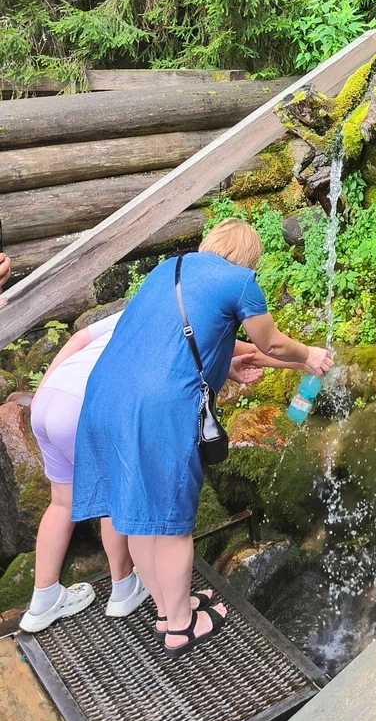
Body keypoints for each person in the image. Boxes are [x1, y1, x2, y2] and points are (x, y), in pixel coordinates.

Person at [72, 218, 333, 656]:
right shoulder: (240, 281)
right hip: (159, 410)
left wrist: (225, 364)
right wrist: (310, 355)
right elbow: (269, 344)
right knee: (172, 524)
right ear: (248, 257)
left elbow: (175, 342)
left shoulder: (167, 270)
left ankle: (167, 607)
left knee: (140, 513)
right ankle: (180, 626)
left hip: (104, 395)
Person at [20, 307, 267, 633]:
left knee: (61, 502)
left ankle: (44, 597)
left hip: (49, 399)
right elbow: (247, 350)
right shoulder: (184, 317)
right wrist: (302, 358)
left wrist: (43, 390)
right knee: (115, 497)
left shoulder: (135, 309)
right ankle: (123, 587)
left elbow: (79, 338)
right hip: (87, 401)